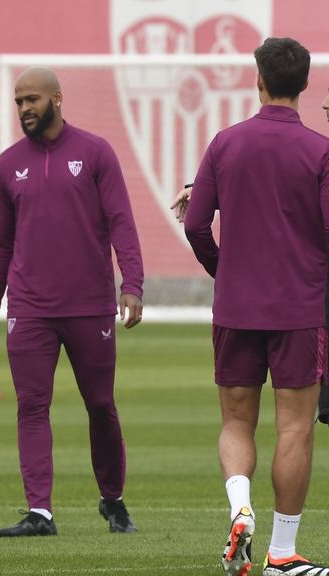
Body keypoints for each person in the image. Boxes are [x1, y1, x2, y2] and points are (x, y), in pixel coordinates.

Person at [183, 37, 329, 576]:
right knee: (294, 428)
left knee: (236, 420)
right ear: (306, 85)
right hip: (297, 309)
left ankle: (239, 505)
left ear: (258, 80)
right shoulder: (319, 151)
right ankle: (282, 553)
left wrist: (227, 272)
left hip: (236, 308)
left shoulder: (225, 144)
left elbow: (196, 224)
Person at [0, 67, 144, 538]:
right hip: (29, 309)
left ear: (57, 97)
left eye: (32, 99)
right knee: (31, 406)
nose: (25, 108)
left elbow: (122, 222)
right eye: (18, 101)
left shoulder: (95, 152)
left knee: (99, 404)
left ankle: (113, 500)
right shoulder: (7, 165)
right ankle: (40, 513)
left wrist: (132, 283)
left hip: (90, 305)